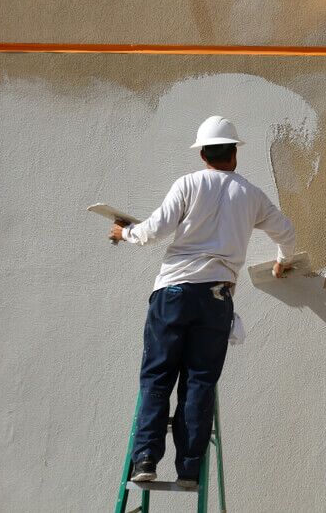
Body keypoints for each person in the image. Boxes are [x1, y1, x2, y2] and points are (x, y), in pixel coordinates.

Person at [109, 115, 296, 488]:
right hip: (216, 298)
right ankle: (190, 470)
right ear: (234, 153)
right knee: (199, 381)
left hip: (174, 293)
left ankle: (145, 459)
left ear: (202, 155)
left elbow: (153, 231)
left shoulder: (188, 184)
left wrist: (125, 232)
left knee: (158, 375)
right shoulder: (251, 195)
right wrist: (281, 261)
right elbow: (286, 232)